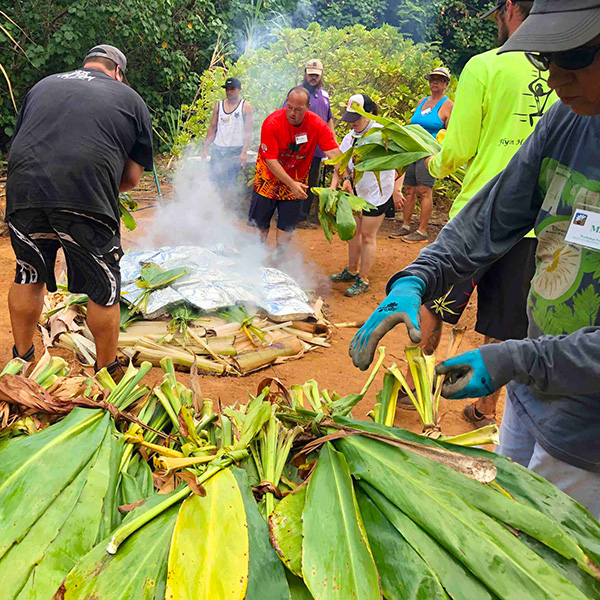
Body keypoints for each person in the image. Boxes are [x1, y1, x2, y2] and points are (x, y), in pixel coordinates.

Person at [349, 0, 600, 517]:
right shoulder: (567, 121)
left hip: (588, 434)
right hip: (532, 394)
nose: (554, 78)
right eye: (545, 59)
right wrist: (416, 277)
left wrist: (514, 359)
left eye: (572, 56)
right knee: (504, 520)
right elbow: (491, 216)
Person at [396, 0, 557, 426]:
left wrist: (434, 163)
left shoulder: (486, 65)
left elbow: (460, 148)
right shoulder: (563, 64)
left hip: (479, 218)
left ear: (508, 8)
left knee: (437, 300)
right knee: (506, 318)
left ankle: (413, 390)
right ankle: (485, 408)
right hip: (537, 223)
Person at [6, 44, 153, 378]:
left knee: (29, 272)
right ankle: (106, 370)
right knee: (103, 285)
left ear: (87, 64)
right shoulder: (129, 99)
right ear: (118, 72)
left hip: (23, 190)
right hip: (85, 195)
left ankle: (22, 361)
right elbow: (130, 178)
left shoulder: (42, 86)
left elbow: (23, 142)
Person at [248, 86, 341, 250]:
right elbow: (271, 160)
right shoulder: (272, 122)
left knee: (286, 227)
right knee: (260, 225)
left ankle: (280, 261)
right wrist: (291, 184)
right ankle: (256, 257)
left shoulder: (316, 124)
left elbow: (334, 153)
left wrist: (345, 176)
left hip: (297, 183)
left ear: (307, 107)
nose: (292, 113)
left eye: (298, 109)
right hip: (267, 180)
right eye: (289, 107)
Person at [329, 94, 398, 296]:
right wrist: (339, 184)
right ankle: (351, 270)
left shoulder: (382, 135)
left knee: (368, 235)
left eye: (356, 118)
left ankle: (364, 278)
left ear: (368, 113)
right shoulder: (350, 137)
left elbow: (401, 161)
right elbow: (341, 164)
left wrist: (397, 188)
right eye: (350, 119)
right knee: (353, 233)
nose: (352, 124)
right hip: (356, 193)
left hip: (378, 194)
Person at [390, 66, 453, 243]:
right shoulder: (422, 101)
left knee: (424, 190)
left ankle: (423, 231)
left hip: (430, 152)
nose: (434, 82)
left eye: (439, 79)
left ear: (446, 84)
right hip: (412, 150)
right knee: (409, 189)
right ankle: (405, 226)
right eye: (432, 79)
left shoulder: (448, 105)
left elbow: (450, 133)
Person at [203, 77, 253, 203]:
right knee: (215, 180)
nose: (229, 92)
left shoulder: (246, 107)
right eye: (227, 89)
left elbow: (248, 132)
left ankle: (227, 210)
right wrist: (205, 147)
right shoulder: (218, 106)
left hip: (235, 150)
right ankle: (215, 206)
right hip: (218, 148)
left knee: (230, 183)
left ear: (239, 90)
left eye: (232, 89)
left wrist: (244, 152)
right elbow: (212, 127)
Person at [298, 59, 336, 223]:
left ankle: (304, 215)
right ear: (305, 73)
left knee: (312, 182)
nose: (313, 78)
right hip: (300, 147)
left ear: (321, 76)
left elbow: (329, 119)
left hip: (319, 149)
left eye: (316, 75)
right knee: (298, 180)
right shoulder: (298, 93)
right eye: (310, 75)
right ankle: (293, 215)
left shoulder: (324, 94)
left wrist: (333, 144)